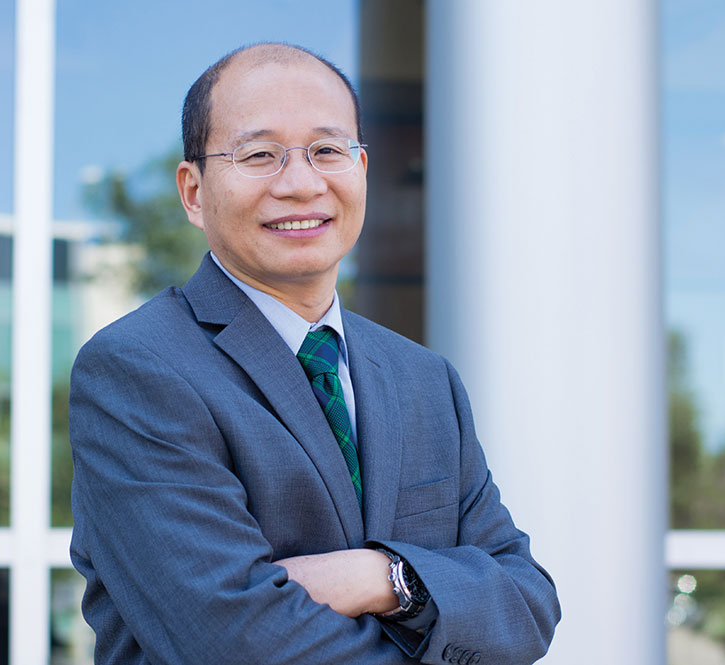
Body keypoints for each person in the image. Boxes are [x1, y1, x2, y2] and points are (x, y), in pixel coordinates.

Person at [69, 42, 561, 664]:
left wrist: (386, 577)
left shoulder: (425, 380)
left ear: (361, 168)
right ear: (193, 192)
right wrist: (445, 599)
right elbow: (237, 645)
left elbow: (527, 605)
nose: (302, 184)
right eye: (259, 155)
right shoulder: (137, 369)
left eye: (327, 151)